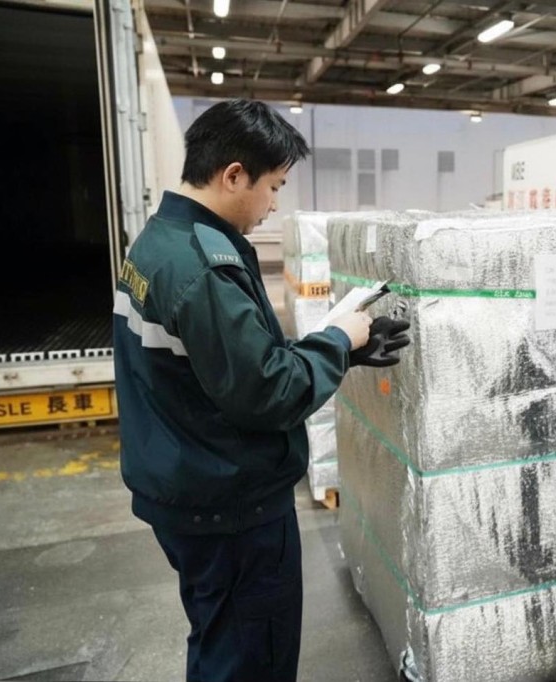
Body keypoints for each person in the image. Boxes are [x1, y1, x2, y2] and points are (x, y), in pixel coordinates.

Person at [113, 99, 409, 682]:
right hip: (230, 503)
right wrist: (337, 342)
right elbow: (266, 391)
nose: (274, 205)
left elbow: (224, 368)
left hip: (184, 480)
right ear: (233, 175)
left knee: (220, 637)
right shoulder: (204, 267)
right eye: (273, 187)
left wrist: (341, 351)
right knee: (252, 658)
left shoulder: (158, 241)